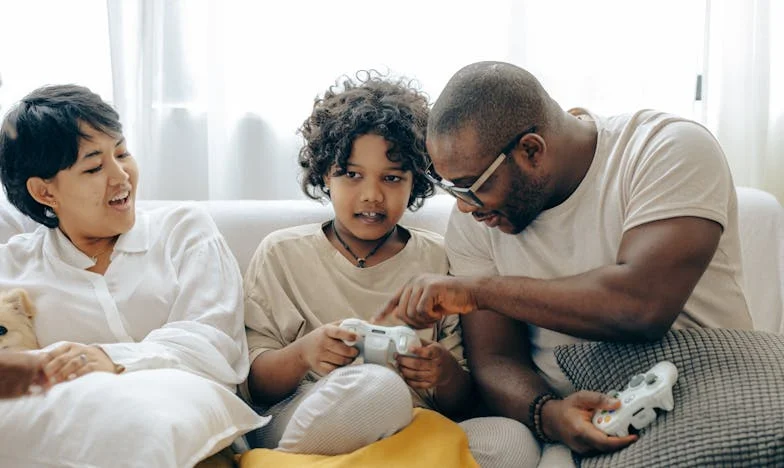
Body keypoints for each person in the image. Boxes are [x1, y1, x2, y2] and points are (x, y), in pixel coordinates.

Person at [375, 61, 753, 464]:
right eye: (453, 190)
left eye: (473, 187)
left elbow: (640, 306)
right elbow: (496, 358)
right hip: (581, 425)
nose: (466, 208)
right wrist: (548, 414)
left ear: (532, 150)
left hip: (710, 391)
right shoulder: (474, 223)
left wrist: (479, 291)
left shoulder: (665, 149)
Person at [242, 71, 538, 467]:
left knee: (513, 441)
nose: (371, 195)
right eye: (351, 174)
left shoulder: (438, 260)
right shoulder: (281, 253)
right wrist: (304, 353)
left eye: (392, 178)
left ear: (415, 184)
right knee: (379, 391)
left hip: (414, 426)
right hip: (308, 415)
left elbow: (464, 400)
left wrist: (443, 373)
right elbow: (253, 386)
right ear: (325, 176)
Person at [0, 85, 263, 444]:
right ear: (45, 193)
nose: (121, 176)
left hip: (190, 434)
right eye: (94, 167)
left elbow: (215, 346)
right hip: (73, 439)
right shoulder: (12, 267)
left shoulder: (183, 229)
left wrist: (107, 359)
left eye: (122, 153)